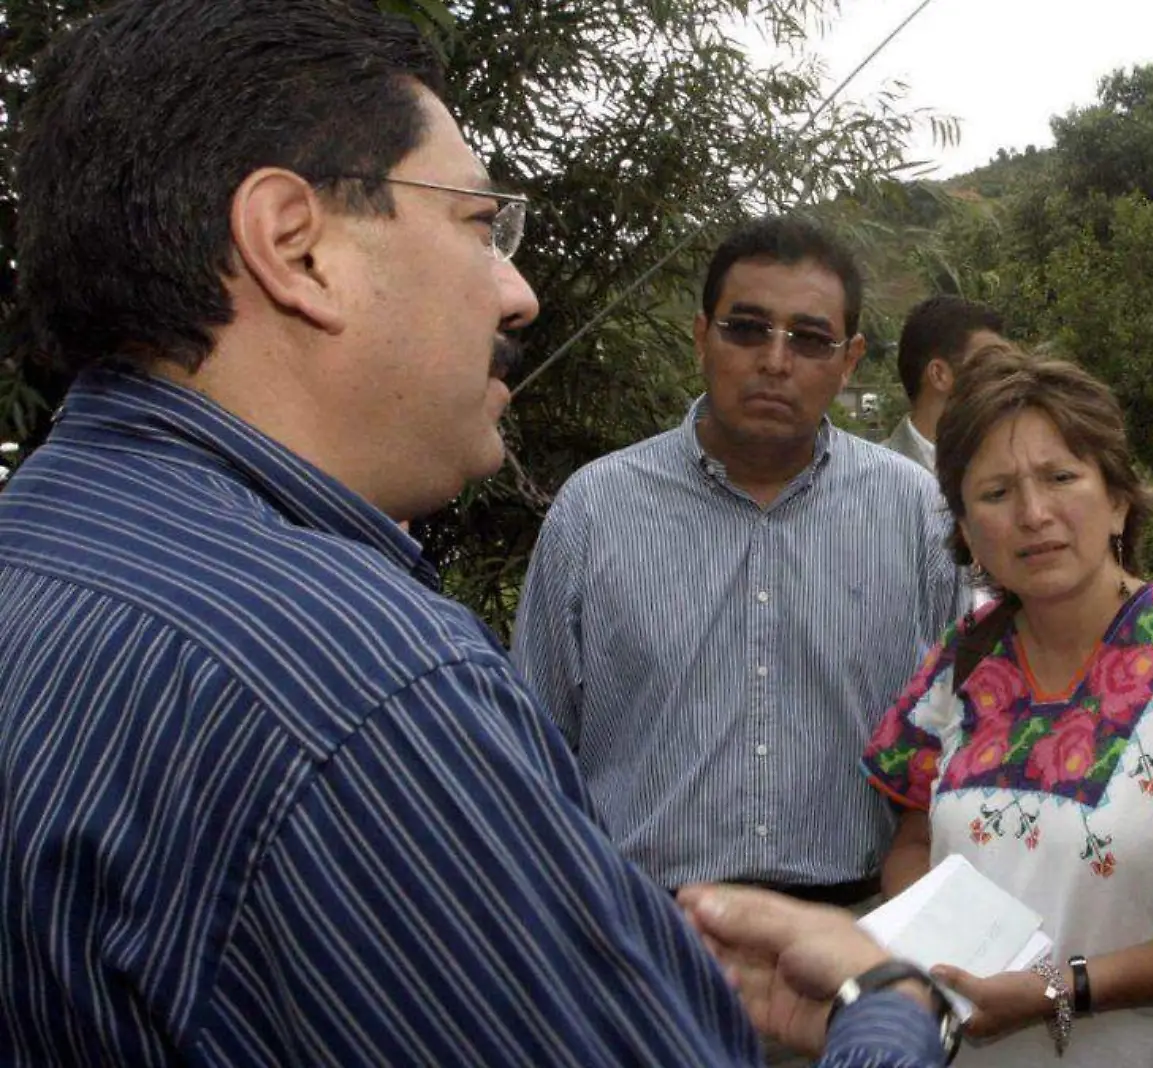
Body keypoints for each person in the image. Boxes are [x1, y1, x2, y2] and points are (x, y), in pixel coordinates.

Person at [0, 3, 958, 1064]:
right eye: (477, 224)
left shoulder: (42, 548)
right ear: (293, 244)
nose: (518, 292)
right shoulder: (368, 693)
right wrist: (887, 1004)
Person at [512, 216, 961, 904]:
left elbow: (961, 729)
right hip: (644, 936)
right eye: (747, 329)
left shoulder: (915, 512)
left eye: (810, 339)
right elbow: (531, 755)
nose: (775, 362)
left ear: (849, 359)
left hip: (859, 925)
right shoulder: (595, 512)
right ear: (701, 336)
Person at [863, 347, 1153, 1067]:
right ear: (964, 528)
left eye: (1061, 477)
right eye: (995, 493)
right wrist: (927, 952)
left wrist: (1060, 988)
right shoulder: (959, 666)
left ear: (1117, 497)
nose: (1033, 514)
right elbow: (911, 839)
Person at [883, 295, 1008, 471]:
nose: (1010, 375)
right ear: (939, 374)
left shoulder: (1013, 467)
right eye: (992, 361)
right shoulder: (870, 481)